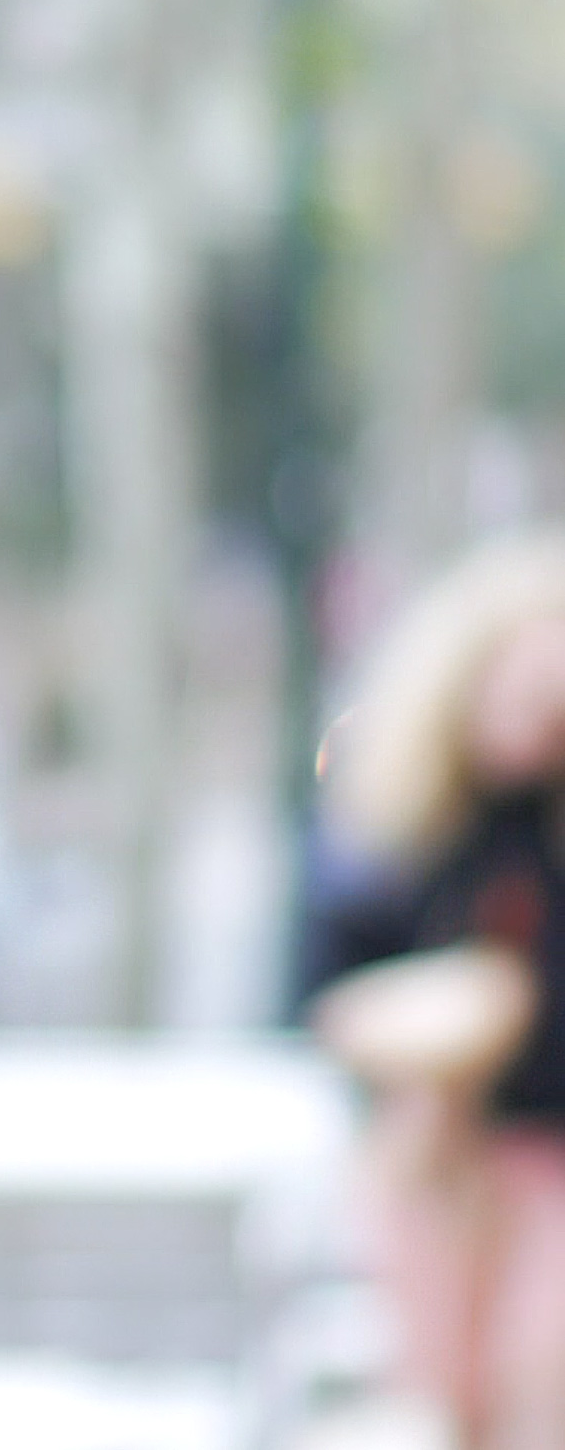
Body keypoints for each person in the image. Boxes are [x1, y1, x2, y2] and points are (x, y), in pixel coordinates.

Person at [305, 532, 565, 1450]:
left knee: (538, 1378)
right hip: (427, 1155)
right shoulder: (399, 836)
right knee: (443, 1393)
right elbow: (329, 987)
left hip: (546, 1152)